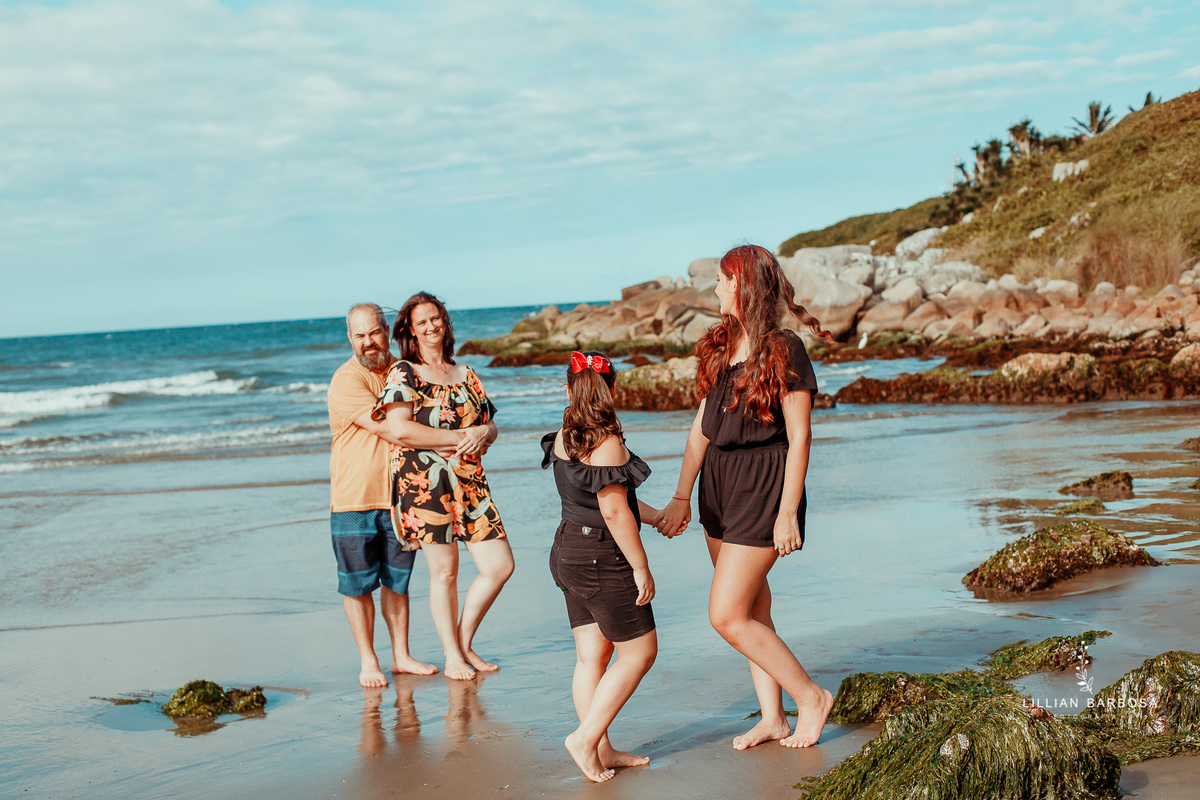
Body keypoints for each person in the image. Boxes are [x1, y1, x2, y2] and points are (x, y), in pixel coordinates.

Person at [657, 244, 836, 750]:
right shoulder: (720, 345)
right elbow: (700, 430)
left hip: (764, 486)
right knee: (753, 608)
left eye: (720, 279)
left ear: (741, 284)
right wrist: (681, 494)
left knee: (726, 614)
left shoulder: (785, 348)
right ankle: (772, 718)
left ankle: (812, 698)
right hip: (719, 487)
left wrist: (787, 513)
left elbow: (799, 437)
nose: (714, 287)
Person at [373, 292, 514, 681]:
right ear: (411, 331)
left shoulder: (465, 372)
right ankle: (452, 656)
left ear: (444, 322)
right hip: (425, 485)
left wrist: (483, 430)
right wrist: (456, 439)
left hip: (471, 484)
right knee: (445, 573)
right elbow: (399, 428)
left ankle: (464, 642)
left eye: (436, 318)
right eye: (422, 322)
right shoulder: (405, 370)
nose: (431, 326)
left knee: (500, 565)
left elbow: (490, 425)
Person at [540, 350, 662, 782]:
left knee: (592, 656)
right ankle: (585, 738)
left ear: (569, 389)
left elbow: (603, 499)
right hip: (600, 557)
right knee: (640, 652)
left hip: (568, 549)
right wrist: (641, 566)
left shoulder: (564, 436)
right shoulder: (607, 442)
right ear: (612, 389)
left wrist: (657, 517)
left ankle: (602, 748)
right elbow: (613, 512)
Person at [328, 303, 438, 688]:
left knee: (398, 581)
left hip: (400, 497)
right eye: (359, 335)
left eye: (373, 333)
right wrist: (452, 440)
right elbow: (395, 430)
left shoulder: (402, 370)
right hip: (353, 499)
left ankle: (401, 655)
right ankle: (368, 660)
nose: (367, 342)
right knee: (357, 586)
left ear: (386, 329)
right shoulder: (346, 380)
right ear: (350, 338)